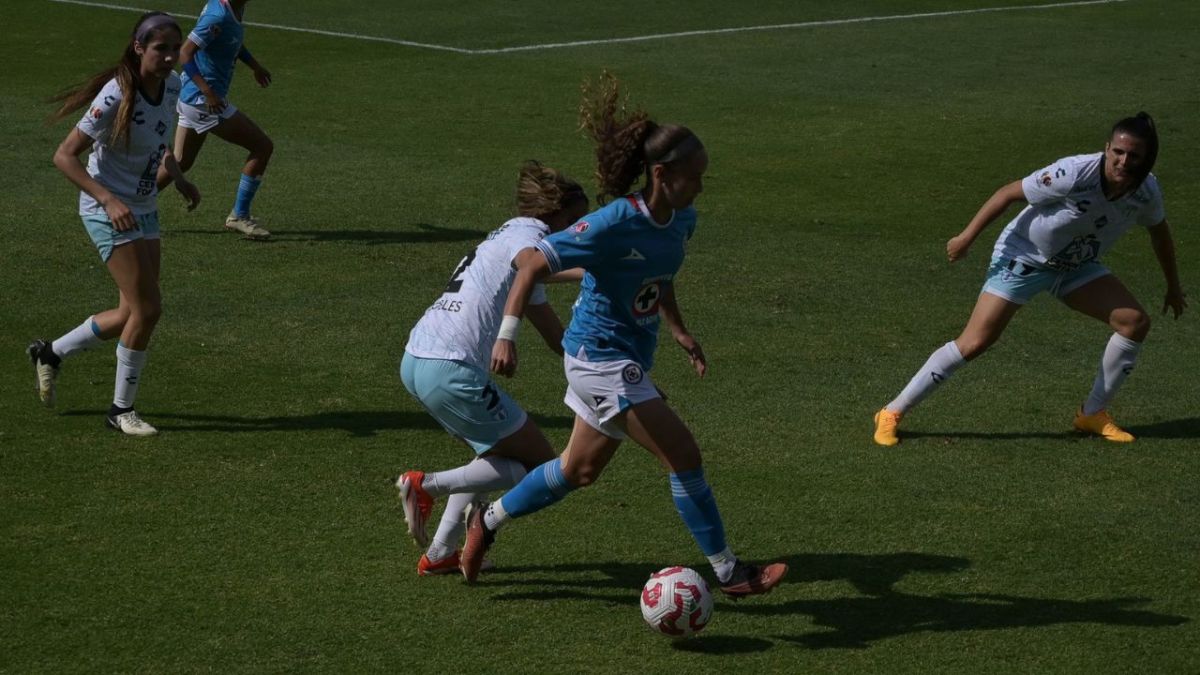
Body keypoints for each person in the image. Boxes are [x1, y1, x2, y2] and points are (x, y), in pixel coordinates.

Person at [460, 73, 788, 598]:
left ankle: (488, 519)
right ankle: (730, 572)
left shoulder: (682, 221)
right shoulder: (612, 223)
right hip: (598, 359)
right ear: (661, 174)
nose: (702, 185)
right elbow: (531, 267)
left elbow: (658, 278)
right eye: (695, 176)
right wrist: (507, 334)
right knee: (683, 456)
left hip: (629, 355)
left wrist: (679, 329)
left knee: (576, 470)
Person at [873, 113, 1185, 446]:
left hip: (1075, 266)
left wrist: (1173, 285)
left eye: (1133, 155)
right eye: (1117, 152)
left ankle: (1092, 413)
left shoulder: (1146, 191)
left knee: (1134, 323)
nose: (1123, 161)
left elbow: (1159, 234)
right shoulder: (1074, 172)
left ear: (1146, 158)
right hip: (1023, 257)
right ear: (1107, 149)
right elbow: (1007, 194)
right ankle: (892, 412)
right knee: (975, 342)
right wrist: (965, 239)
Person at [395, 161, 590, 576]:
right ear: (552, 213)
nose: (574, 232)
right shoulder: (530, 236)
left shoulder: (509, 236)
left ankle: (440, 553)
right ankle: (423, 485)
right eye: (573, 223)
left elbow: (557, 338)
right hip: (451, 366)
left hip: (418, 359)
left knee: (492, 456)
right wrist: (595, 270)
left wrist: (601, 366)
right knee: (540, 466)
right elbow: (529, 263)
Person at [28, 12, 201, 436]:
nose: (169, 57)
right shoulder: (117, 94)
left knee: (130, 311)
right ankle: (120, 410)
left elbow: (158, 144)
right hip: (107, 209)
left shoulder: (173, 84)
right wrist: (107, 199)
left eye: (174, 48)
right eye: (160, 48)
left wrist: (177, 177)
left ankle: (50, 353)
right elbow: (64, 155)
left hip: (143, 206)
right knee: (148, 308)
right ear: (139, 48)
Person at [156, 0, 274, 240]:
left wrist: (255, 66)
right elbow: (185, 53)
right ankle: (239, 216)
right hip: (203, 101)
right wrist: (208, 91)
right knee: (262, 146)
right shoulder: (218, 16)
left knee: (181, 161)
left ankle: (130, 205)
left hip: (194, 99)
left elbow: (232, 42)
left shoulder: (232, 9)